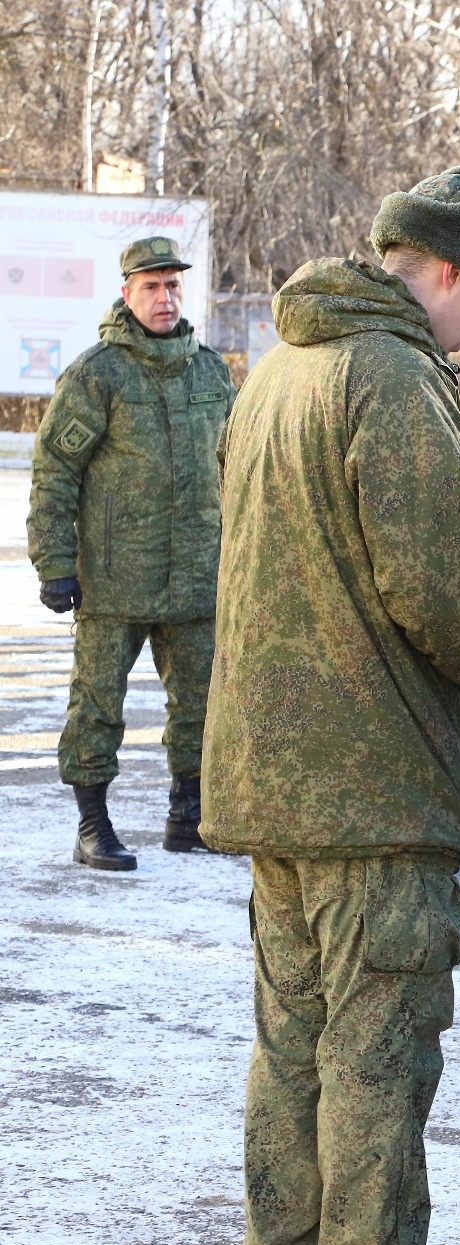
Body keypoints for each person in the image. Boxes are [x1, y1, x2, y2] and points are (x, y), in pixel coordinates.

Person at [202, 164, 460, 1245]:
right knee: (376, 1068)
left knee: (294, 1054)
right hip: (375, 786)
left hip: (275, 776)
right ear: (446, 273)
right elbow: (445, 593)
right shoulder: (393, 378)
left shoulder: (279, 368)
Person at [27, 236, 234, 871]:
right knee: (97, 704)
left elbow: (239, 467)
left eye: (173, 285)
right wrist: (55, 562)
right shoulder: (98, 375)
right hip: (115, 578)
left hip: (199, 575)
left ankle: (188, 817)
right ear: (127, 293)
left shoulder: (210, 371)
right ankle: (93, 824)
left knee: (202, 704)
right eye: (151, 286)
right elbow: (55, 470)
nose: (164, 297)